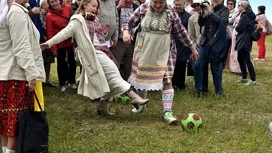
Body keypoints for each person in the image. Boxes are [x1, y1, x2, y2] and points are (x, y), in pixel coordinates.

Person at [40, 0, 149, 116]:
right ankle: (133, 96)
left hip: (103, 50)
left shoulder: (95, 19)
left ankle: (103, 107)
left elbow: (98, 37)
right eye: (93, 6)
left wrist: (104, 33)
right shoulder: (78, 20)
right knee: (113, 73)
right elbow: (64, 33)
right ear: (84, 5)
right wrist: (48, 44)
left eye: (96, 7)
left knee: (109, 78)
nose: (95, 9)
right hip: (92, 53)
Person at [122, 0, 199, 124]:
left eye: (161, 3)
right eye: (155, 2)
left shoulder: (171, 13)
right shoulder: (143, 9)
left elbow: (181, 31)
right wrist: (126, 32)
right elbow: (128, 23)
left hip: (165, 49)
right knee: (142, 77)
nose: (158, 5)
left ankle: (167, 112)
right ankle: (141, 104)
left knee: (167, 79)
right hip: (145, 48)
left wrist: (192, 48)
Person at [0, 0, 46, 152]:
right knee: (16, 122)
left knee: (6, 122)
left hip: (5, 74)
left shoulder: (7, 10)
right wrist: (31, 74)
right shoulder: (16, 12)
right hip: (16, 74)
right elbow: (22, 47)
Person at [194, 0, 229, 96]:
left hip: (217, 43)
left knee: (216, 67)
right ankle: (198, 89)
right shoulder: (210, 8)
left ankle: (219, 91)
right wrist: (201, 13)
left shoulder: (224, 10)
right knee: (197, 65)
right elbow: (201, 24)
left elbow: (221, 22)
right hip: (205, 42)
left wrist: (210, 11)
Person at [46, 0, 77, 92]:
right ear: (49, 4)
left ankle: (72, 82)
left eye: (55, 1)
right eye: (52, 2)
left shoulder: (68, 8)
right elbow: (49, 32)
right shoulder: (49, 16)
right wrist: (53, 48)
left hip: (70, 41)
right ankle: (62, 83)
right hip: (59, 43)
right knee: (61, 64)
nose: (54, 4)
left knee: (72, 62)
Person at [111, 0, 139, 81]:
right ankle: (114, 86)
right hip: (118, 41)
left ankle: (128, 87)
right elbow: (109, 18)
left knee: (129, 66)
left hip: (132, 42)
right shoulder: (115, 4)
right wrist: (118, 8)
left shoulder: (136, 7)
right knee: (115, 65)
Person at [235, 0, 261, 85]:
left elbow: (238, 28)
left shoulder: (245, 16)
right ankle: (244, 77)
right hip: (245, 39)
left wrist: (237, 26)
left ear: (244, 7)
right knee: (240, 58)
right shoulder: (249, 15)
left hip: (244, 39)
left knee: (246, 59)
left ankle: (253, 80)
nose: (238, 6)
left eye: (240, 5)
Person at [188, 0, 210, 97]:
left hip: (210, 45)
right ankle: (198, 88)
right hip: (198, 46)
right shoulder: (192, 18)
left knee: (206, 67)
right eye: (195, 5)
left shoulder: (210, 16)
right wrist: (194, 46)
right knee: (197, 66)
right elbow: (191, 34)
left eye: (199, 5)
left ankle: (205, 88)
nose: (197, 7)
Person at [172, 0, 191, 91]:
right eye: (176, 4)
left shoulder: (188, 17)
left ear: (184, 5)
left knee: (182, 65)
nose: (177, 6)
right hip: (171, 44)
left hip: (183, 45)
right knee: (172, 65)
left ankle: (181, 85)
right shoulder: (170, 15)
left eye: (180, 5)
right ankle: (171, 84)